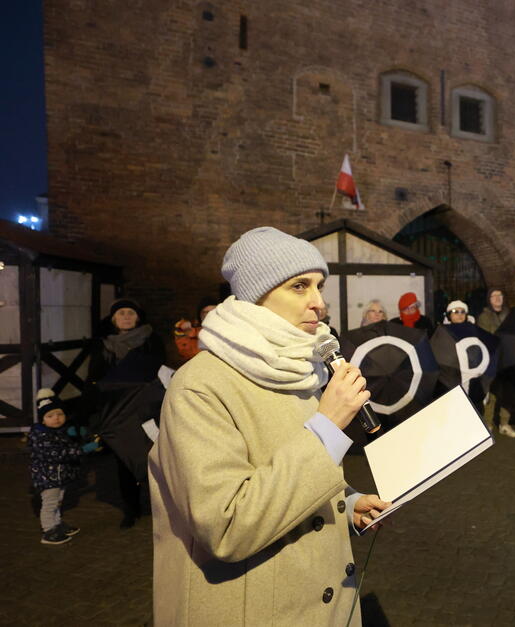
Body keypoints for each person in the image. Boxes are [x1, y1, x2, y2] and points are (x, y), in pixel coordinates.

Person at [149, 226, 391, 626]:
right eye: (299, 286)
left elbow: (282, 469)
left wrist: (347, 505)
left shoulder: (301, 369)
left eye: (319, 286)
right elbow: (227, 526)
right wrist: (329, 425)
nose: (319, 304)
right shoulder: (200, 386)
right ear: (255, 296)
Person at [85, 297, 165, 528]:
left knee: (155, 456)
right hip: (118, 412)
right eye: (121, 313)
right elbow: (94, 377)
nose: (126, 317)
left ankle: (158, 505)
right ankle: (131, 509)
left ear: (138, 317)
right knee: (124, 460)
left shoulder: (152, 339)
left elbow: (159, 369)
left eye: (130, 312)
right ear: (113, 319)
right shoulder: (104, 345)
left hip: (145, 408)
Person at [29, 389, 99, 545]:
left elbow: (66, 441)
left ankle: (57, 524)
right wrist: (83, 449)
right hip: (48, 477)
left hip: (58, 476)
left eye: (60, 414)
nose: (56, 419)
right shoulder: (42, 437)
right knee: (50, 504)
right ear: (42, 420)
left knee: (58, 502)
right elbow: (59, 453)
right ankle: (48, 530)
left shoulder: (57, 431)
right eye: (50, 416)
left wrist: (77, 434)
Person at [477, 288, 515, 437]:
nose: (497, 298)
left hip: (508, 358)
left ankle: (504, 423)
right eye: (494, 296)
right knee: (491, 391)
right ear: (489, 299)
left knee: (508, 392)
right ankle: (488, 423)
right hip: (492, 359)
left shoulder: (510, 315)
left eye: (500, 295)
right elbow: (486, 337)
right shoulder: (484, 316)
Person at [173, 296, 217, 362]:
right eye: (206, 312)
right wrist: (185, 332)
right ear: (200, 316)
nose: (210, 315)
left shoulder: (227, 330)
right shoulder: (193, 333)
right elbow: (186, 355)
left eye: (214, 312)